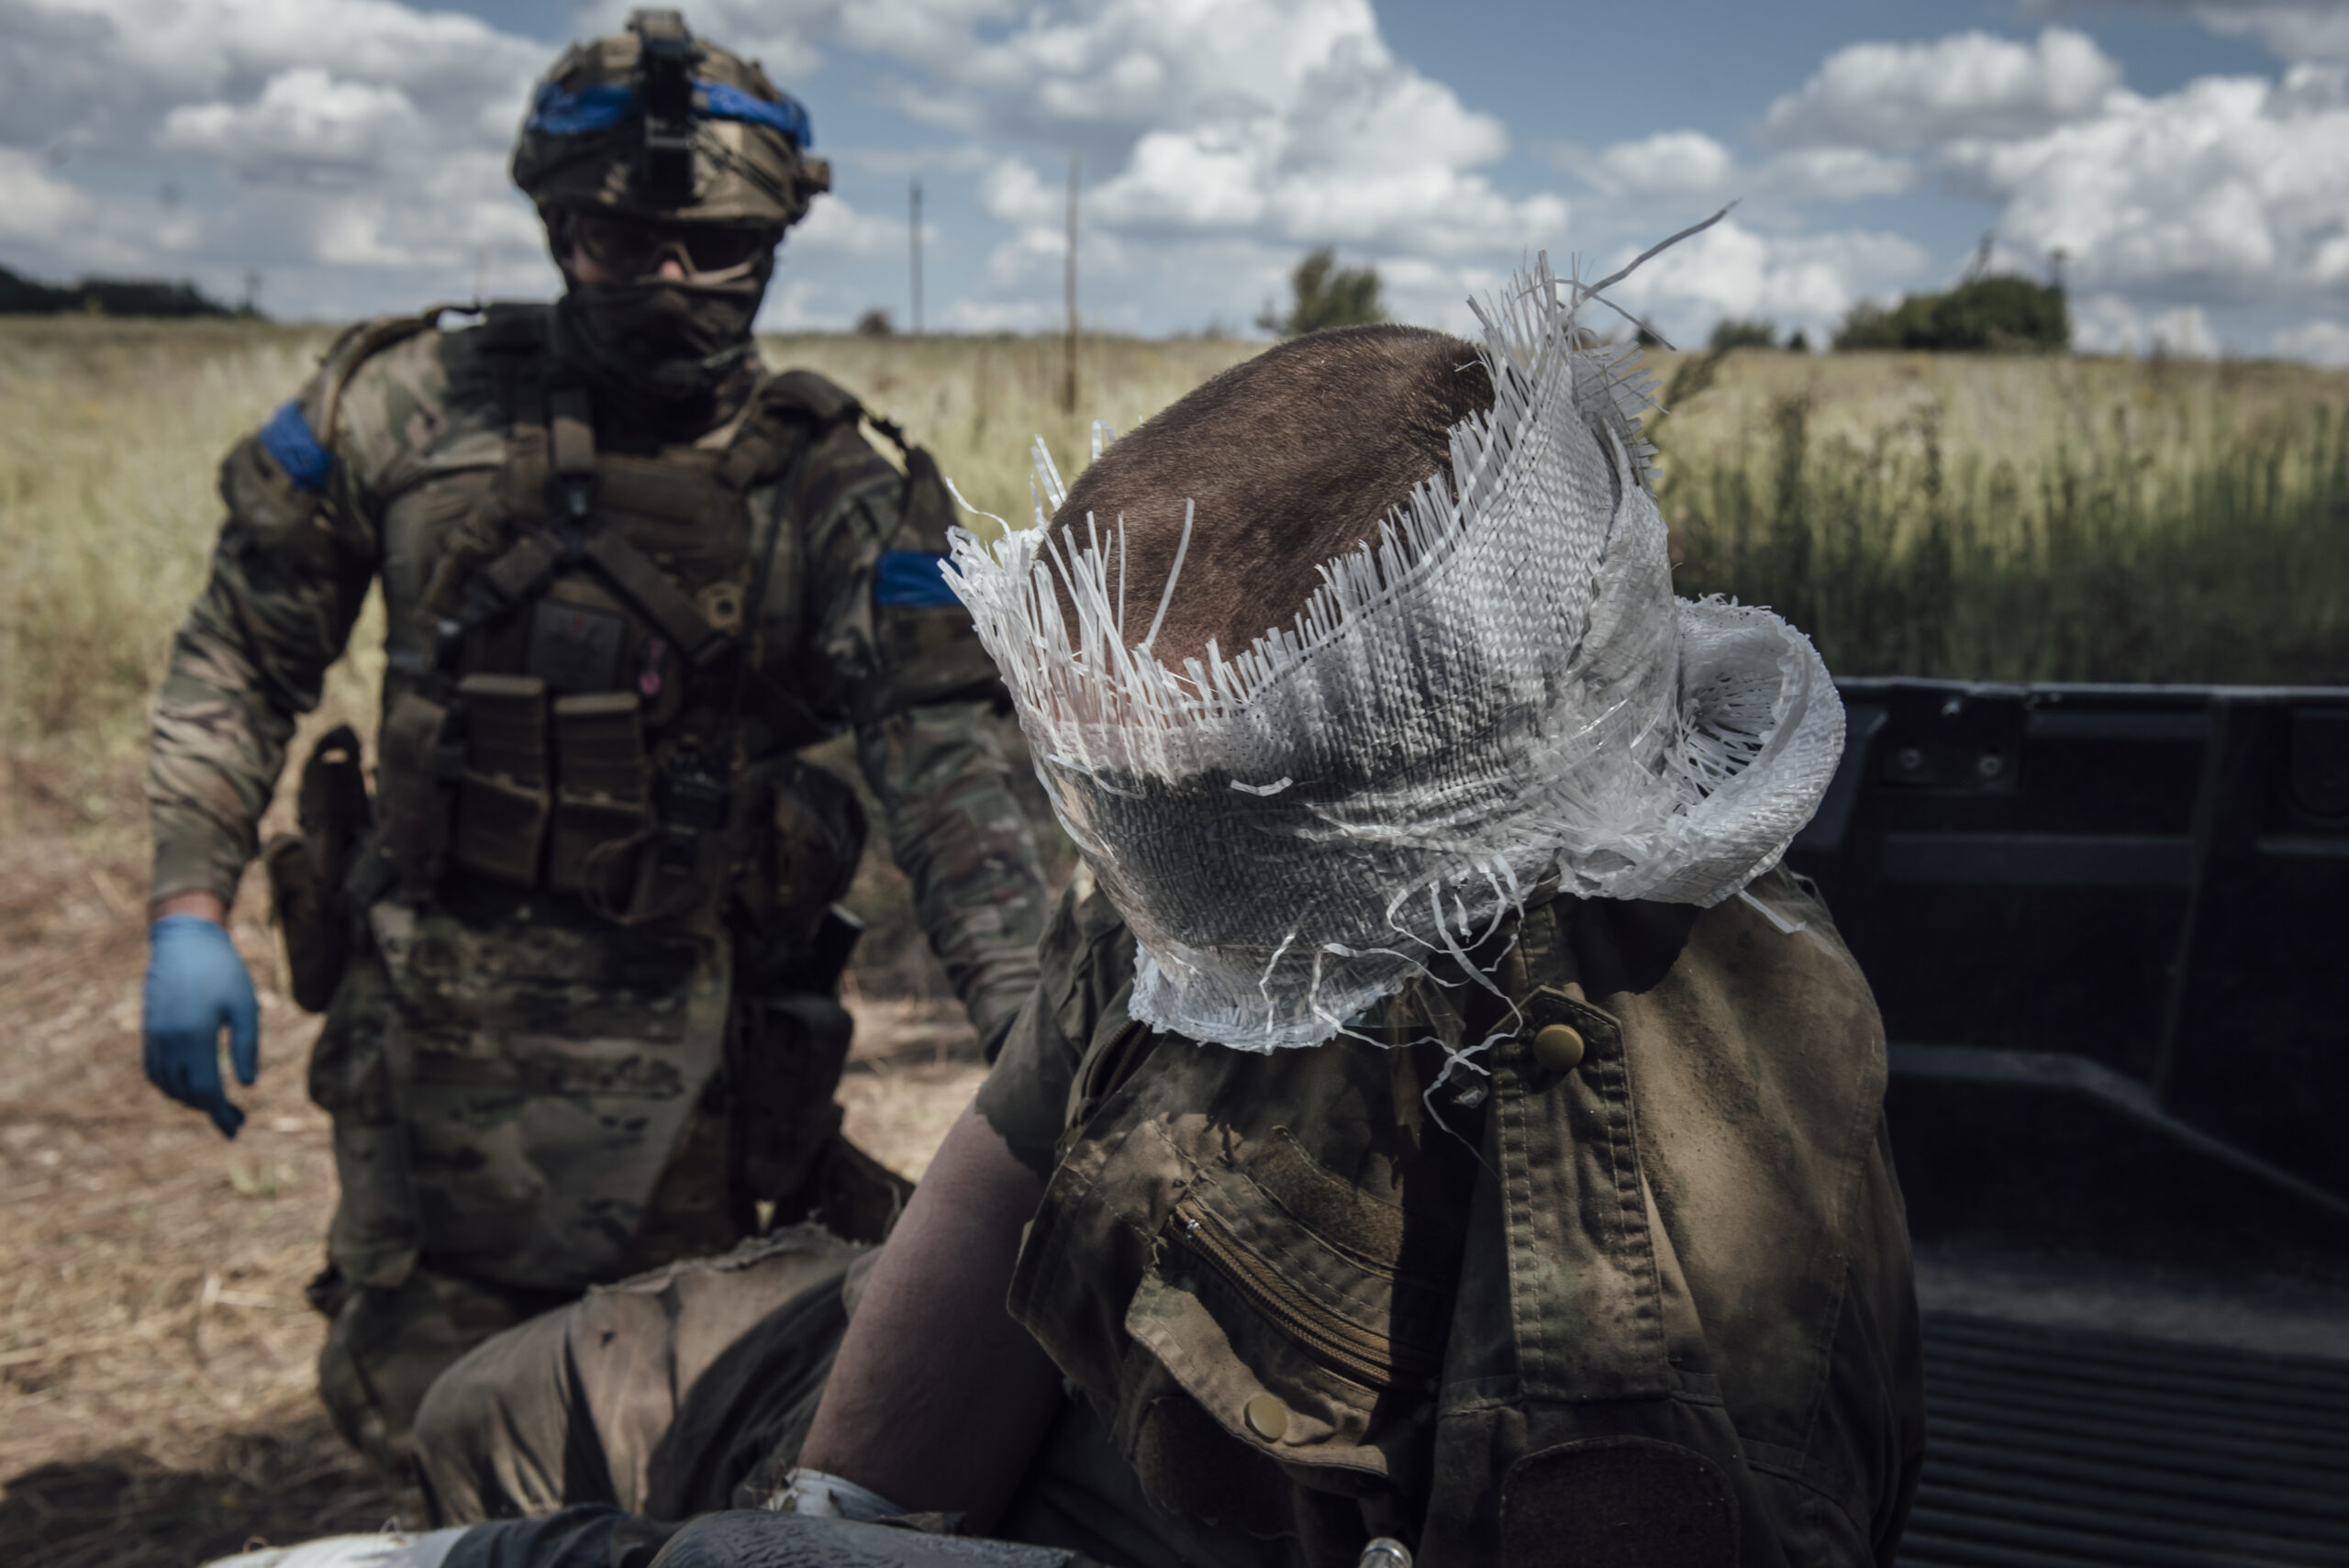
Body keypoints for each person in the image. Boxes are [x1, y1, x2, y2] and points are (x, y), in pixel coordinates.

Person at [400, 263, 1924, 1567]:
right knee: (493, 1412)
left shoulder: (1636, 1325)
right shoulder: (1271, 807)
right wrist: (845, 1511)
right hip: (1102, 1352)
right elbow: (1021, 1139)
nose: (1141, 910)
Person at [138, 7, 1048, 1475]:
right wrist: (188, 903)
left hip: (701, 1069)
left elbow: (949, 761)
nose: (668, 280)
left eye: (713, 250)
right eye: (622, 245)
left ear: (773, 247)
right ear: (557, 227)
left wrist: (1034, 1040)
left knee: (663, 1434)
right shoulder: (407, 406)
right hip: (429, 1038)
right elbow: (244, 647)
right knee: (416, 1424)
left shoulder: (831, 487)